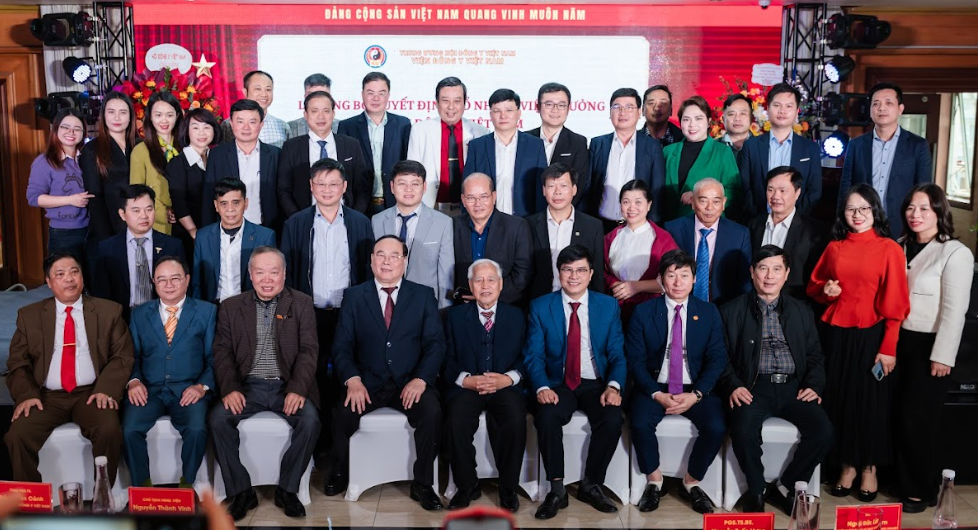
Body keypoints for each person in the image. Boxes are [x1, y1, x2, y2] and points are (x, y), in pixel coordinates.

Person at [807, 184, 910, 503]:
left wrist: (889, 347)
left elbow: (897, 304)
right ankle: (846, 466)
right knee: (840, 400)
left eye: (864, 208)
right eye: (851, 208)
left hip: (873, 336)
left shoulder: (890, 248)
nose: (858, 214)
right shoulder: (834, 247)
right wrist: (827, 292)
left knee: (871, 404)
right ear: (843, 213)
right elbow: (815, 287)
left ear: (875, 211)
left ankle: (869, 468)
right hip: (836, 334)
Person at [327, 236, 446, 510]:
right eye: (380, 255)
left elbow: (436, 344)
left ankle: (423, 483)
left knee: (432, 412)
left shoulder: (423, 295)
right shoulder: (354, 296)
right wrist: (353, 380)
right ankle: (340, 470)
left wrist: (421, 379)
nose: (387, 261)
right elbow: (342, 346)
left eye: (394, 256)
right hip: (367, 382)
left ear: (405, 261)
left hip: (410, 381)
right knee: (341, 412)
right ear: (371, 260)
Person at [717, 245, 833, 514]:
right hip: (752, 387)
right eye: (763, 268)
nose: (769, 276)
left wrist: (813, 385)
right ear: (752, 272)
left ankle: (785, 486)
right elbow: (719, 358)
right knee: (743, 430)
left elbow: (815, 355)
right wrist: (733, 384)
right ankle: (756, 489)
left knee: (823, 431)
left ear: (786, 273)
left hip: (794, 388)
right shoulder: (730, 310)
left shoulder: (801, 311)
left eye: (777, 269)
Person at [209, 247, 320, 520]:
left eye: (274, 272)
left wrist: (297, 389)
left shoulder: (302, 303)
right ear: (250, 274)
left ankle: (287, 489)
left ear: (284, 274)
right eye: (260, 272)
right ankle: (241, 491)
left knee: (310, 421)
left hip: (287, 385)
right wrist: (230, 388)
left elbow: (308, 351)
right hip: (248, 387)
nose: (267, 279)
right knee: (217, 419)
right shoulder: (232, 306)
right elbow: (221, 352)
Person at [5, 252, 133, 485]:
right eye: (60, 274)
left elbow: (122, 355)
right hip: (46, 396)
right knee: (17, 434)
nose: (69, 279)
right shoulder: (29, 316)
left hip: (91, 393)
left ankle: (102, 494)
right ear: (49, 281)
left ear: (82, 277)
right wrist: (26, 395)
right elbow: (17, 362)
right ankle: (31, 500)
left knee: (109, 430)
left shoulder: (108, 311)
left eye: (75, 272)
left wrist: (106, 389)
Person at [280, 157, 374, 457]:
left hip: (349, 313)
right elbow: (288, 273)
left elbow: (366, 271)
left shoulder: (360, 222)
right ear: (311, 186)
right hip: (311, 313)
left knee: (348, 375)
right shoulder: (296, 223)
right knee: (314, 376)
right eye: (320, 184)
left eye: (334, 183)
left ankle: (342, 448)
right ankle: (318, 447)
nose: (327, 189)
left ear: (344, 187)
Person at [525, 244, 626, 519]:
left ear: (591, 274)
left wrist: (613, 386)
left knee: (612, 418)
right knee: (546, 415)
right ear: (558, 272)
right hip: (558, 382)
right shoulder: (541, 306)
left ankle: (591, 484)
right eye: (567, 270)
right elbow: (533, 355)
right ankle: (557, 489)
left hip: (596, 382)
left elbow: (617, 354)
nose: (574, 276)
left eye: (581, 270)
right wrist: (542, 387)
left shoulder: (607, 306)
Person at [626, 249, 727, 514]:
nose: (678, 282)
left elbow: (717, 358)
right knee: (639, 422)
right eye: (671, 275)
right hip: (655, 386)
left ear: (694, 279)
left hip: (694, 388)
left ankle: (691, 482)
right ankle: (654, 481)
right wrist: (656, 394)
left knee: (716, 426)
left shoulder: (709, 312)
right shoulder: (644, 312)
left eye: (684, 275)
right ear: (661, 279)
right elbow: (635, 360)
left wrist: (697, 394)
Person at [895, 184, 973, 513]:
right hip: (897, 340)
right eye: (911, 208)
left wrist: (943, 355)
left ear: (940, 212)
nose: (916, 215)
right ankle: (901, 481)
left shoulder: (955, 252)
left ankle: (921, 489)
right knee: (899, 415)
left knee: (920, 419)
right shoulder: (899, 246)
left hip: (930, 344)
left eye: (925, 208)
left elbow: (955, 311)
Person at [123, 256, 216, 488]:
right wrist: (134, 381)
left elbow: (214, 357)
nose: (169, 285)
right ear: (154, 283)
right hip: (149, 389)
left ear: (187, 280)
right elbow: (131, 356)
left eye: (175, 278)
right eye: (162, 280)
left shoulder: (207, 312)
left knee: (196, 429)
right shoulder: (138, 314)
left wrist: (202, 386)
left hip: (188, 388)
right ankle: (142, 489)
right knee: (129, 429)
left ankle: (187, 486)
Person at [443, 259, 526, 512]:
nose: (485, 285)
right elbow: (445, 358)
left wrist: (508, 378)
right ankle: (467, 485)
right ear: (470, 285)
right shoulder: (454, 316)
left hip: (504, 385)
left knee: (515, 418)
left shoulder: (518, 315)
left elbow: (529, 357)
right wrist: (465, 379)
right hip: (467, 385)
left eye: (491, 280)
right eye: (479, 280)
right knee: (456, 420)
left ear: (501, 284)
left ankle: (508, 486)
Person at [839, 82, 932, 234]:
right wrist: (842, 225)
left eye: (888, 103)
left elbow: (924, 190)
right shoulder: (856, 145)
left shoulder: (918, 145)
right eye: (876, 104)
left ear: (900, 109)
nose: (881, 108)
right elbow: (846, 188)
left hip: (901, 226)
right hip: (861, 225)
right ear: (870, 110)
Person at [92, 185, 185, 322]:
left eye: (149, 209)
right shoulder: (107, 248)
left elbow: (182, 288)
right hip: (122, 318)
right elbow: (101, 293)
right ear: (122, 214)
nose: (144, 216)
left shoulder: (173, 245)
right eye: (136, 211)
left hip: (163, 317)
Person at [371, 160, 455, 309]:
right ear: (392, 187)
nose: (408, 189)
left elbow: (446, 275)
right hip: (385, 304)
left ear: (424, 187)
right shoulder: (377, 221)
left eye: (415, 184)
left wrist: (444, 311)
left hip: (425, 305)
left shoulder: (442, 223)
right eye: (402, 184)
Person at [279, 90, 370, 217]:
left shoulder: (351, 145)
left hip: (345, 218)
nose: (321, 116)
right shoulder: (291, 147)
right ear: (305, 114)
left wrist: (353, 217)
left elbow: (362, 188)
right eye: (314, 111)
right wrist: (299, 220)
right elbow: (284, 190)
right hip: (304, 218)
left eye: (326, 111)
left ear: (333, 113)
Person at [407, 77, 490, 214]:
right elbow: (412, 174)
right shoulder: (420, 130)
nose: (451, 107)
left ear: (465, 103)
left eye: (457, 101)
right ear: (437, 103)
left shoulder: (480, 132)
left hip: (469, 209)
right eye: (445, 101)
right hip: (431, 207)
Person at [587, 88, 666, 231]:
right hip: (600, 225)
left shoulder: (652, 147)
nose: (622, 112)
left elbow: (657, 190)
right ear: (610, 113)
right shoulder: (598, 144)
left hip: (638, 226)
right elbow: (588, 187)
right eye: (617, 107)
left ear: (639, 112)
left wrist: (653, 228)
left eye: (629, 107)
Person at [739, 83, 823, 218]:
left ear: (797, 111)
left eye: (789, 106)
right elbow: (744, 187)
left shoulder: (809, 149)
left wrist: (794, 221)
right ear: (768, 109)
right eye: (777, 105)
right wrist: (757, 220)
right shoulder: (751, 146)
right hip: (757, 221)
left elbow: (814, 191)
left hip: (797, 223)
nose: (782, 111)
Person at [665, 178, 752, 305]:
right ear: (692, 202)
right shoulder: (673, 229)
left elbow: (744, 281)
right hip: (682, 304)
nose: (709, 207)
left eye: (716, 201)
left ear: (723, 203)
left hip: (725, 306)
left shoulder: (740, 234)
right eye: (703, 201)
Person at [463, 88, 548, 217]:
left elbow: (541, 188)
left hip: (525, 219)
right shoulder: (477, 146)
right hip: (486, 220)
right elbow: (467, 187)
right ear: (491, 114)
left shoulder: (535, 145)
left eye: (509, 110)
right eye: (497, 111)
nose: (503, 116)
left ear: (518, 113)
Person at [746, 166, 826, 301]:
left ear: (797, 192)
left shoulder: (813, 231)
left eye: (783, 191)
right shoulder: (754, 225)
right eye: (770, 190)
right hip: (755, 302)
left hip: (795, 303)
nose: (775, 196)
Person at [604, 180, 679, 323]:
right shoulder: (610, 237)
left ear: (649, 205)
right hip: (615, 309)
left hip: (651, 310)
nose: (631, 208)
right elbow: (601, 271)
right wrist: (614, 284)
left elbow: (674, 277)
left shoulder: (663, 239)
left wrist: (635, 287)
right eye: (626, 202)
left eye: (638, 202)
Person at [453, 173, 533, 306]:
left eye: (484, 196)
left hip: (506, 305)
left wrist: (487, 298)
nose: (478, 203)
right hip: (463, 305)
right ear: (463, 200)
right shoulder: (452, 226)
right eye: (471, 198)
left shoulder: (517, 226)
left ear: (494, 197)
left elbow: (522, 274)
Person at [338, 72, 412, 214]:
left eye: (381, 93)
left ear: (388, 96)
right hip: (359, 205)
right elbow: (343, 170)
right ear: (362, 95)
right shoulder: (347, 126)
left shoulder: (403, 125)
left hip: (394, 203)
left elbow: (407, 164)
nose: (376, 98)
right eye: (370, 93)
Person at [527, 163, 604, 299]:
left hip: (579, 301)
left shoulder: (593, 226)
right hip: (540, 299)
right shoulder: (528, 224)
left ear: (574, 189)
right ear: (544, 190)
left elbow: (597, 273)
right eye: (551, 186)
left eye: (563, 186)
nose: (557, 192)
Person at [191, 178, 275, 304]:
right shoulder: (203, 237)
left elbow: (270, 280)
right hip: (214, 306)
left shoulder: (264, 236)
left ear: (246, 203)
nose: (230, 209)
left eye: (236, 203)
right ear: (216, 206)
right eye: (224, 204)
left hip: (251, 306)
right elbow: (197, 281)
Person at [202, 99, 282, 230]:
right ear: (231, 123)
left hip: (267, 229)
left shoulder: (276, 155)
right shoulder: (217, 155)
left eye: (252, 122)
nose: (246, 127)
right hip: (227, 229)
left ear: (261, 124)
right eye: (240, 122)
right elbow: (209, 197)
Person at [662, 95, 742, 221]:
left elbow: (734, 192)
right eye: (686, 119)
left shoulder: (722, 152)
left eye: (698, 118)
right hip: (670, 225)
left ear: (709, 122)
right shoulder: (668, 152)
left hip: (708, 223)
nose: (692, 124)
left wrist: (701, 196)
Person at [26, 108, 91, 258]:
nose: (71, 132)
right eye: (65, 127)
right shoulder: (45, 162)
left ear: (83, 133)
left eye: (77, 129)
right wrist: (70, 200)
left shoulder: (87, 158)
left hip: (91, 230)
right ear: (56, 129)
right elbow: (33, 198)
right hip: (63, 233)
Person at [167, 108, 222, 263]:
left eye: (207, 127)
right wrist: (194, 233)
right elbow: (179, 203)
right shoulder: (177, 164)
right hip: (190, 234)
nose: (201, 132)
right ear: (187, 131)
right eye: (195, 127)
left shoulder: (218, 159)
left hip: (217, 231)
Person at [82, 91, 138, 242]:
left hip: (141, 223)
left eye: (123, 112)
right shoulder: (92, 149)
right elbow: (94, 198)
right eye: (111, 112)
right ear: (103, 115)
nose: (117, 118)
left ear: (130, 116)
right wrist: (107, 240)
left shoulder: (140, 145)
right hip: (110, 226)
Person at [526, 83, 590, 205]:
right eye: (549, 104)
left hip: (562, 212)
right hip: (526, 212)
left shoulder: (578, 142)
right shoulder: (525, 139)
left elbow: (579, 185)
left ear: (568, 108)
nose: (555, 110)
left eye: (561, 105)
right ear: (537, 106)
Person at [130, 91, 182, 235]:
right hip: (157, 224)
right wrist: (163, 213)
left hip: (187, 221)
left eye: (169, 115)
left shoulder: (186, 147)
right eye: (158, 115)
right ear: (150, 118)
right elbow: (137, 192)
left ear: (177, 116)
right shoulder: (140, 151)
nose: (164, 120)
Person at [220, 70, 290, 148]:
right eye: (258, 89)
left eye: (268, 89)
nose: (264, 94)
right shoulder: (228, 125)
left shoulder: (282, 126)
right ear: (245, 92)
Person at [288, 73, 333, 138]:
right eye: (312, 95)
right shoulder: (290, 128)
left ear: (330, 97)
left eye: (322, 94)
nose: (318, 99)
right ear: (305, 97)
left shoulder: (341, 126)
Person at [719, 94, 753, 165]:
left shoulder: (763, 147)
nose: (737, 118)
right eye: (731, 114)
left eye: (743, 114)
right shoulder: (711, 148)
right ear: (723, 119)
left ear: (751, 118)